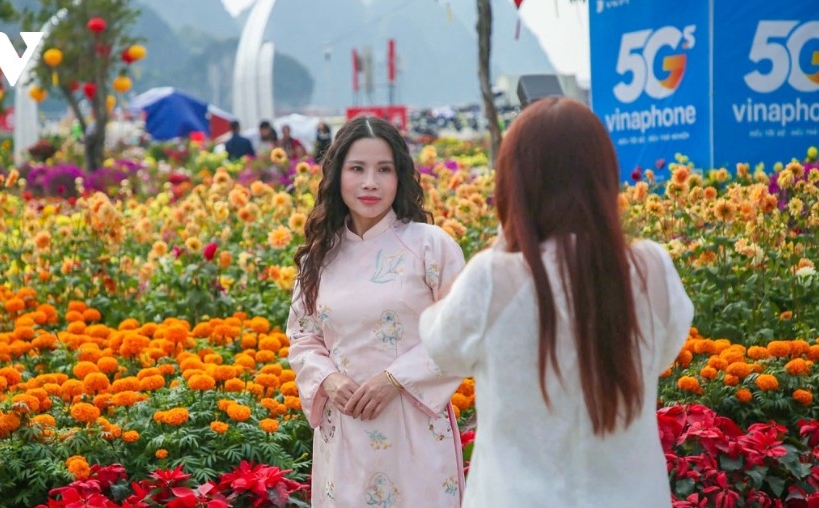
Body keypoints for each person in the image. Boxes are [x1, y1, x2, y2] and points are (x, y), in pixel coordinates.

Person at [419, 97, 694, 508]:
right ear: (604, 177)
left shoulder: (494, 277)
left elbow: (441, 347)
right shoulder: (650, 268)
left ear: (513, 183)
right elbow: (664, 352)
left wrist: (506, 237)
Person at [287, 115, 466, 507]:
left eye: (384, 169)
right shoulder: (319, 256)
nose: (371, 182)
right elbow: (303, 336)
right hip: (345, 426)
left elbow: (462, 329)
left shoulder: (430, 247)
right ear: (337, 176)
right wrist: (328, 380)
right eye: (357, 169)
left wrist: (394, 379)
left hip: (413, 426)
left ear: (400, 176)